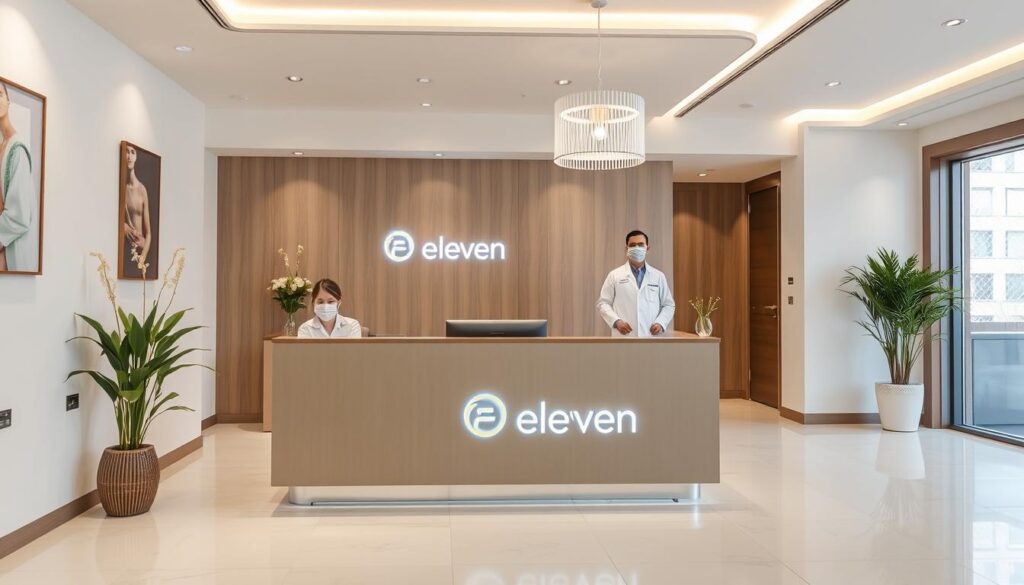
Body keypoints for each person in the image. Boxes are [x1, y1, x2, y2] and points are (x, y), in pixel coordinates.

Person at [596, 230, 675, 337]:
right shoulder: (614, 275)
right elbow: (603, 303)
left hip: (651, 336)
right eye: (632, 245)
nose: (637, 248)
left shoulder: (658, 276)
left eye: (641, 245)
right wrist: (616, 322)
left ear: (647, 248)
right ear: (626, 249)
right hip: (624, 336)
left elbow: (668, 305)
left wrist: (661, 323)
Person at [0, 81, 39, 273]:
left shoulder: (18, 149)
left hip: (10, 252)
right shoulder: (2, 146)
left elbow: (20, 215)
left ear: (9, 101)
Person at [297, 278, 363, 338]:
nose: (325, 306)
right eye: (320, 302)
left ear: (339, 303)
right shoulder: (305, 329)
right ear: (313, 302)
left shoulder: (352, 325)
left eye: (330, 301)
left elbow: (354, 351)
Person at [123, 144, 152, 274]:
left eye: (132, 152)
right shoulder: (121, 189)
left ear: (136, 157)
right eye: (126, 152)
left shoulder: (142, 190)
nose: (129, 156)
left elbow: (149, 234)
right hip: (127, 251)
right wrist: (124, 226)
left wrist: (143, 259)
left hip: (142, 250)